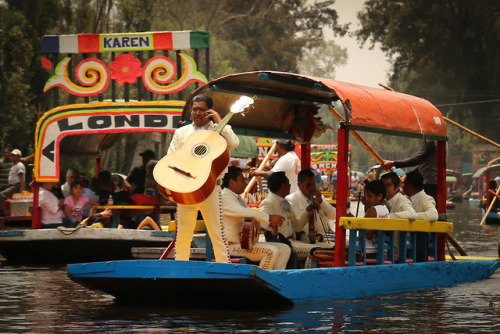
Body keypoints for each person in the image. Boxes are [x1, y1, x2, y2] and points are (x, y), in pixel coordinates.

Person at [167, 94, 239, 263]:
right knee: (183, 234)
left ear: (209, 111)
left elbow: (234, 143)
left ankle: (225, 272)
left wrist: (219, 121)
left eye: (202, 110)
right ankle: (181, 271)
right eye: (195, 109)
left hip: (211, 188)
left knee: (217, 233)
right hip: (187, 188)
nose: (197, 113)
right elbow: (170, 157)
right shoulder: (181, 132)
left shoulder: (218, 130)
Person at [221, 166, 290, 270]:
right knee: (271, 251)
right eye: (242, 180)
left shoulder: (237, 198)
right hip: (230, 247)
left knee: (285, 249)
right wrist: (269, 218)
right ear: (232, 182)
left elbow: (251, 220)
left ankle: (275, 279)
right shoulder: (224, 196)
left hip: (243, 244)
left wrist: (269, 226)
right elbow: (244, 212)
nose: (245, 183)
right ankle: (262, 282)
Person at [260, 172, 328, 268]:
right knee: (316, 251)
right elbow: (262, 222)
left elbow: (297, 226)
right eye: (288, 183)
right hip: (284, 243)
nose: (290, 185)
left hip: (294, 241)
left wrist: (307, 211)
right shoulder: (268, 203)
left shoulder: (286, 202)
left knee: (326, 248)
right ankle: (306, 276)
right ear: (283, 186)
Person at [286, 169, 336, 245]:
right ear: (299, 185)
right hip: (306, 242)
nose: (312, 188)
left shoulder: (319, 197)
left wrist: (321, 202)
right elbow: (296, 227)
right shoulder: (290, 200)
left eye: (314, 184)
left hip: (325, 238)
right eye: (308, 185)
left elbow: (333, 215)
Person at [362, 180, 390, 259]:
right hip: (378, 249)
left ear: (380, 196)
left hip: (367, 250)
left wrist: (354, 221)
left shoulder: (372, 210)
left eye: (369, 196)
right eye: (366, 196)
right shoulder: (385, 209)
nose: (366, 199)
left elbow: (369, 235)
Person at [0, 149, 25, 213]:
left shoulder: (19, 165)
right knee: (10, 200)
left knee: (1, 195)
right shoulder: (14, 165)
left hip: (16, 186)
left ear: (18, 156)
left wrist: (21, 190)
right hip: (11, 186)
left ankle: (2, 213)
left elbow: (22, 178)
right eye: (12, 155)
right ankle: (10, 212)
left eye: (15, 155)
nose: (13, 157)